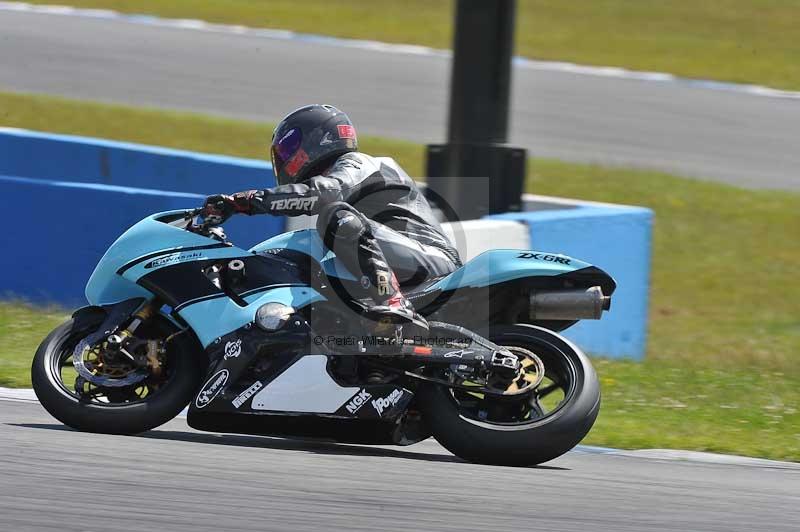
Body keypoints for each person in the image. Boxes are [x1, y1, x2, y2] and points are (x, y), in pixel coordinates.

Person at [202, 104, 460, 332]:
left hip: (433, 262)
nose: (284, 159)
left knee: (336, 216)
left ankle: (391, 302)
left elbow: (324, 193)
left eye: (289, 147)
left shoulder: (361, 163)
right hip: (403, 260)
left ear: (318, 139)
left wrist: (249, 201)